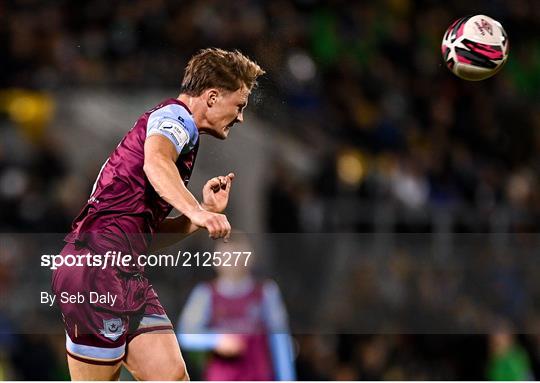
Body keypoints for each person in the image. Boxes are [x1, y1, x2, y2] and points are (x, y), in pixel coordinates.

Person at [51, 48, 265, 380]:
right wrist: (195, 208)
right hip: (94, 269)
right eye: (239, 106)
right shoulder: (175, 118)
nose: (240, 117)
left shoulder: (178, 130)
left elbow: (143, 239)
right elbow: (156, 162)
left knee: (172, 376)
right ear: (210, 98)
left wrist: (201, 214)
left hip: (123, 268)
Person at [177, 237, 296, 381]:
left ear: (250, 258)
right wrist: (215, 340)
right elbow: (185, 335)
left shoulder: (266, 292)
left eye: (237, 254)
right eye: (226, 255)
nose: (232, 261)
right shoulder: (205, 293)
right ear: (216, 260)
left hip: (259, 376)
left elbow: (280, 341)